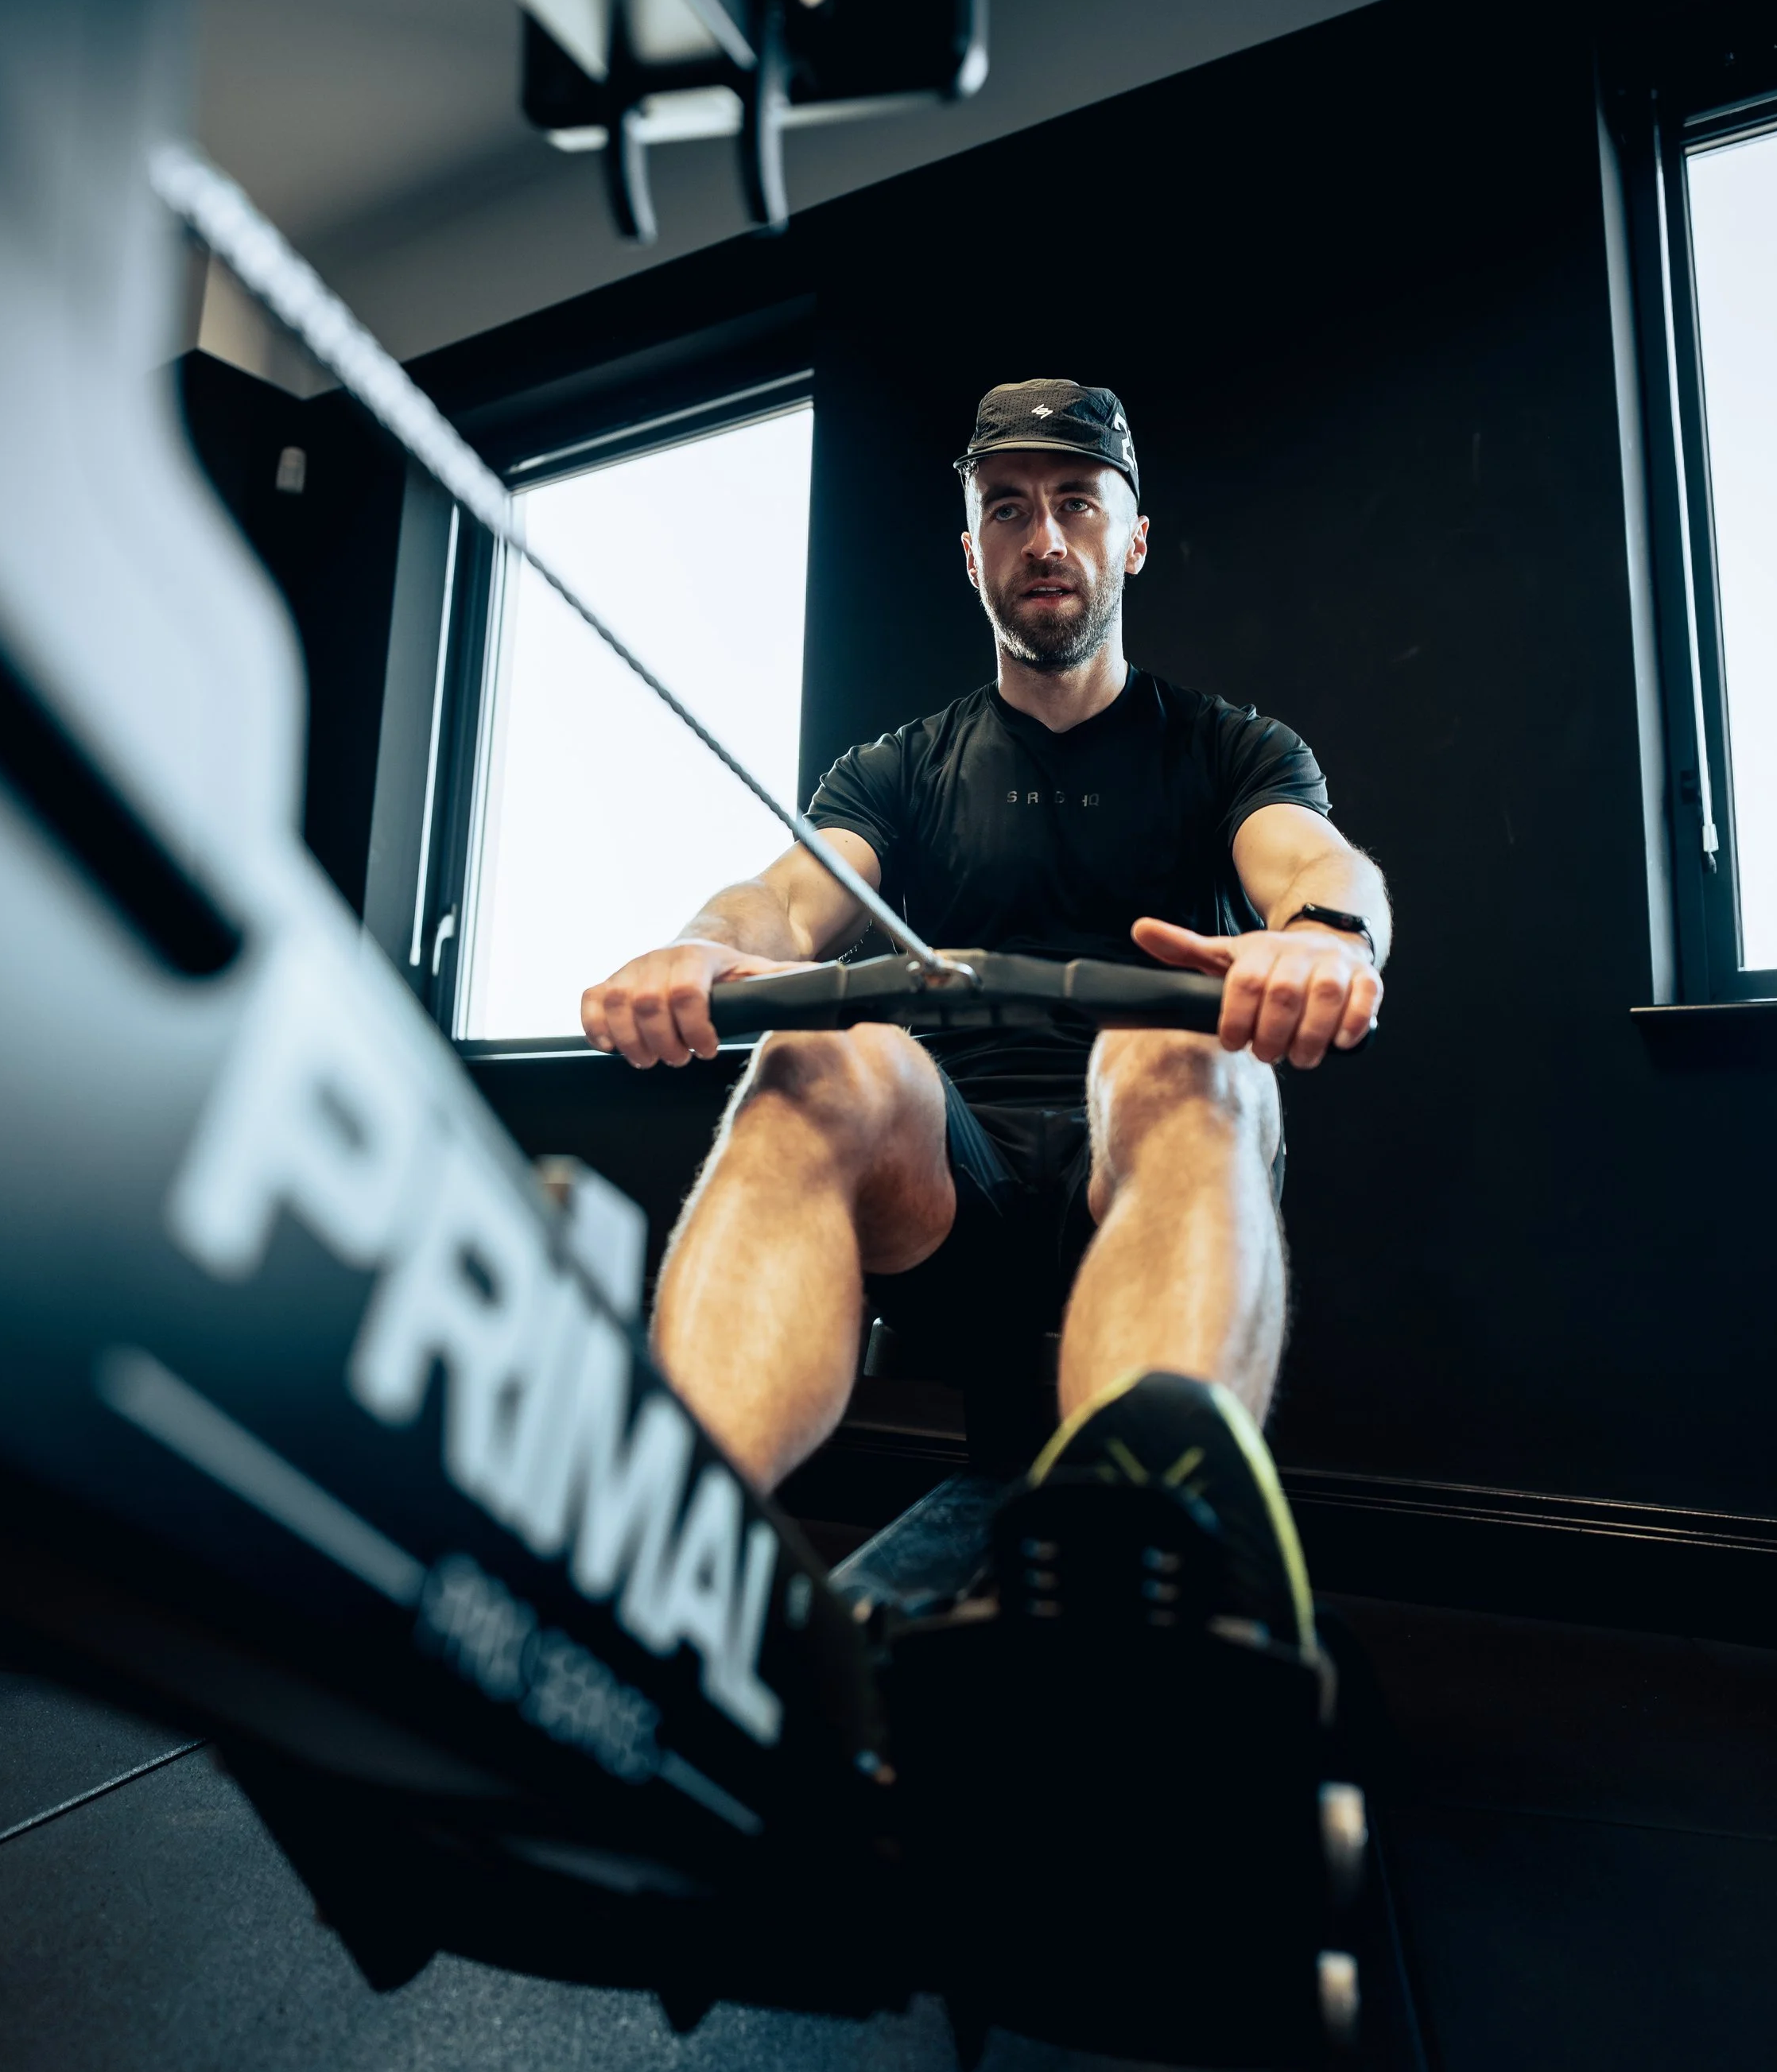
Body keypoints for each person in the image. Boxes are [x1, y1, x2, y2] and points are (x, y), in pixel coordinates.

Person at [581, 380, 1390, 1648]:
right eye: (1006, 509)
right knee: (816, 1062)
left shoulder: (1231, 750)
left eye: (1077, 503)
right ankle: (651, 1580)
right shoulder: (897, 770)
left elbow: (1317, 865)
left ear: (1132, 539)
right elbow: (783, 902)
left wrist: (1327, 936)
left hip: (1150, 1169)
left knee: (1180, 1050)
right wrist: (702, 946)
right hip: (952, 1202)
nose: (1043, 537)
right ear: (972, 555)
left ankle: (1128, 1581)